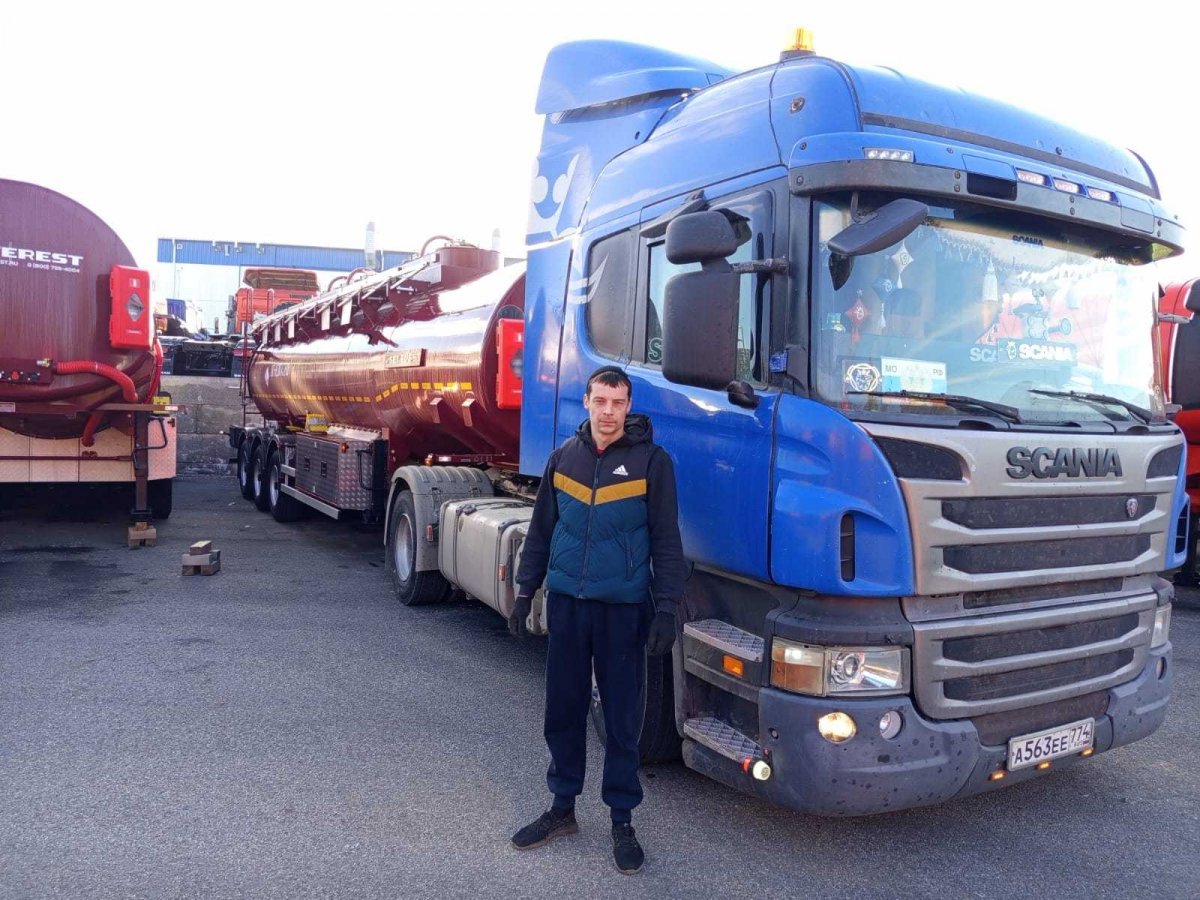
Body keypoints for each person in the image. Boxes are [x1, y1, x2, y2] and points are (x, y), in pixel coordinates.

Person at [508, 365, 686, 875]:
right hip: (568, 604)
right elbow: (541, 530)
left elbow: (666, 541)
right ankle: (562, 807)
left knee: (622, 719)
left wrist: (667, 607)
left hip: (622, 609)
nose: (608, 412)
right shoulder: (564, 458)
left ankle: (622, 819)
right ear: (586, 402)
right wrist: (524, 592)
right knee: (562, 709)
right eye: (600, 401)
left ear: (628, 408)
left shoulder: (652, 463)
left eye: (618, 403)